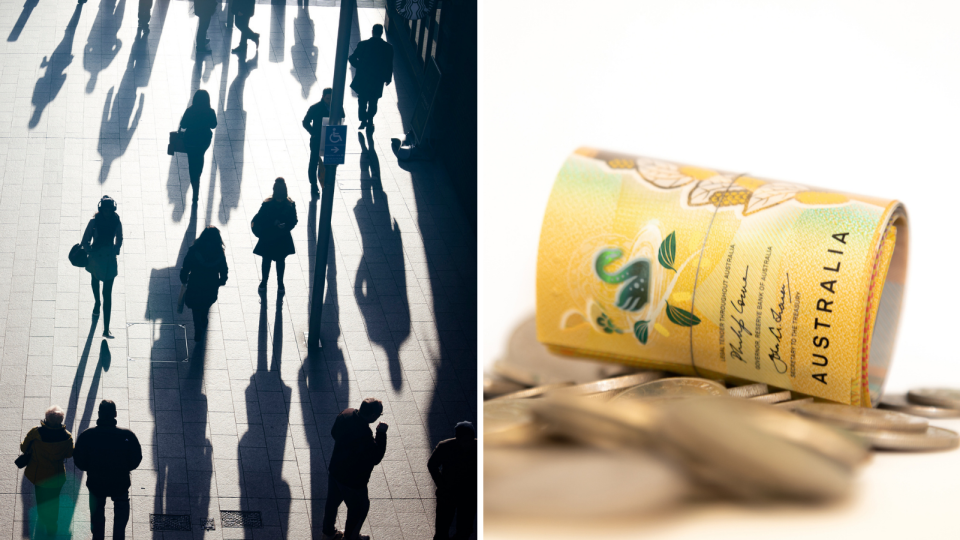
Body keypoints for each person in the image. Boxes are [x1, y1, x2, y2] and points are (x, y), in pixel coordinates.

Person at [73, 400, 142, 540]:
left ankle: (98, 537)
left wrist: (90, 468)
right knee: (121, 512)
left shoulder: (87, 435)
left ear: (99, 414)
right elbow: (136, 458)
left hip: (96, 483)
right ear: (115, 414)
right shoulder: (127, 435)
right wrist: (124, 468)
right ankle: (118, 536)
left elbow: (79, 461)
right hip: (120, 482)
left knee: (97, 514)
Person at [321, 398, 389, 540]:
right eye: (379, 415)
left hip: (335, 470)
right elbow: (376, 457)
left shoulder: (346, 413)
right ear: (372, 416)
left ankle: (328, 532)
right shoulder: (364, 434)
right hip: (353, 481)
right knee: (359, 508)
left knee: (332, 503)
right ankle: (351, 537)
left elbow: (334, 433)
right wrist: (381, 434)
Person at [21, 405, 74, 537]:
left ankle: (42, 519)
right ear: (61, 421)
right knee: (54, 500)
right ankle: (52, 526)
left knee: (40, 498)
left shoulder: (35, 432)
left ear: (46, 418)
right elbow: (69, 454)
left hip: (38, 474)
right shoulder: (67, 436)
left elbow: (23, 448)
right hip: (56, 475)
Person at [428, 421, 477, 540]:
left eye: (470, 440)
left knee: (465, 529)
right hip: (448, 493)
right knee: (442, 529)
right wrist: (441, 485)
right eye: (464, 441)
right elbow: (432, 465)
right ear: (457, 438)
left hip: (468, 495)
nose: (468, 443)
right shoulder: (445, 446)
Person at [82, 195, 123, 338]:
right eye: (105, 210)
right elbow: (85, 240)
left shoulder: (116, 221)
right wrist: (90, 251)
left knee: (108, 294)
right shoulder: (94, 222)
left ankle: (106, 328)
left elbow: (119, 237)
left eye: (109, 210)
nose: (107, 213)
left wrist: (115, 250)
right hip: (96, 258)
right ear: (101, 210)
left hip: (109, 260)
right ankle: (97, 302)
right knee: (95, 281)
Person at [180, 226, 229, 341]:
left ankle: (197, 327)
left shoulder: (194, 249)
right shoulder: (219, 252)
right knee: (205, 304)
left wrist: (184, 278)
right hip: (211, 284)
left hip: (195, 282)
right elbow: (224, 269)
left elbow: (186, 265)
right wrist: (222, 280)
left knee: (195, 306)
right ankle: (203, 319)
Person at [252, 178, 298, 296]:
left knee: (266, 261)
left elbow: (258, 219)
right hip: (282, 238)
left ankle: (264, 282)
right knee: (280, 261)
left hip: (268, 238)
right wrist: (285, 226)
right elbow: (294, 221)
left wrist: (271, 226)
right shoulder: (290, 204)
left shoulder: (267, 204)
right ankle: (280, 284)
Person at [348, 25, 393, 131]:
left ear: (372, 31)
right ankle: (370, 119)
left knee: (362, 100)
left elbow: (352, 58)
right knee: (373, 101)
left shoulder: (363, 44)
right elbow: (389, 64)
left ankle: (363, 120)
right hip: (377, 80)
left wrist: (359, 66)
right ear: (381, 32)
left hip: (363, 78)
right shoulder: (388, 47)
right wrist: (388, 78)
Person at [179, 90, 217, 202]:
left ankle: (195, 184)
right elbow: (214, 125)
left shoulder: (190, 111)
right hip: (203, 142)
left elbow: (183, 125)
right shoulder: (210, 111)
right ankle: (198, 178)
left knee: (192, 163)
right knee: (200, 158)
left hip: (190, 142)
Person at [302, 87, 332, 196]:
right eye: (328, 98)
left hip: (330, 139)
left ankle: (326, 182)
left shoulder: (336, 107)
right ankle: (313, 184)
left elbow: (342, 116)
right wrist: (313, 133)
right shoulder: (315, 108)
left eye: (331, 99)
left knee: (329, 161)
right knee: (314, 161)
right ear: (323, 97)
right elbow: (305, 122)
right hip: (317, 139)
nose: (329, 101)